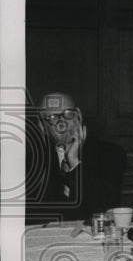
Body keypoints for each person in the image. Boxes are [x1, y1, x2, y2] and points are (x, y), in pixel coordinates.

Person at [25, 91, 126, 224]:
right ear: (42, 126)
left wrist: (74, 162)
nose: (62, 124)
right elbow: (33, 215)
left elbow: (104, 208)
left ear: (79, 115)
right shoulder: (31, 162)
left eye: (68, 114)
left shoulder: (110, 153)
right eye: (52, 117)